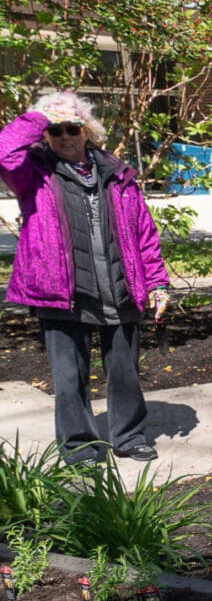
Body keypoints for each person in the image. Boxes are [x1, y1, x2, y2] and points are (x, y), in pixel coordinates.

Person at [0, 92, 170, 464]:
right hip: (61, 290)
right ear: (46, 133)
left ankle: (129, 436)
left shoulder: (118, 174)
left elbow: (144, 233)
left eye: (72, 128)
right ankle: (79, 445)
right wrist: (38, 117)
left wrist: (157, 282)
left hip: (119, 286)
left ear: (86, 131)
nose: (64, 136)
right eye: (55, 130)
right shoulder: (35, 172)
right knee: (69, 377)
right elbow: (3, 152)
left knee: (125, 372)